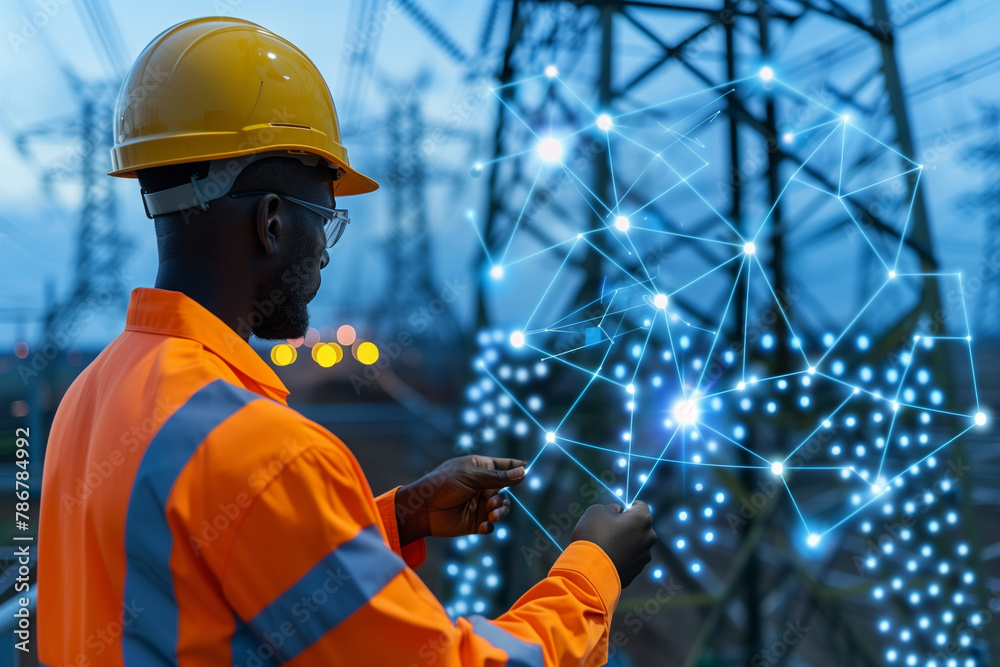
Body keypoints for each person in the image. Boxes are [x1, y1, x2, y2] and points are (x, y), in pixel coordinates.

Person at [37, 17, 656, 666]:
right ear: (272, 222)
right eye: (326, 221)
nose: (327, 257)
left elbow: (205, 564)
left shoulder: (91, 398)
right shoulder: (265, 453)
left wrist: (402, 514)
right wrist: (595, 573)